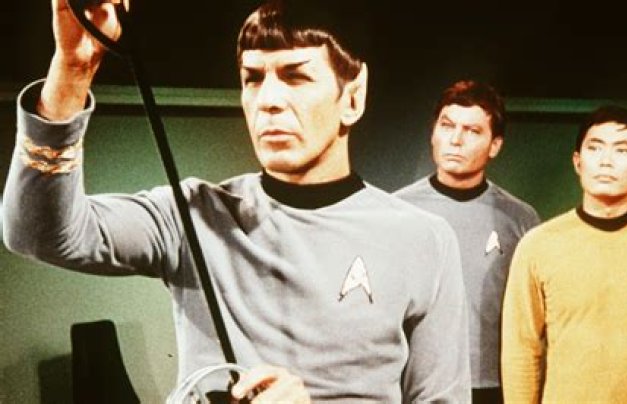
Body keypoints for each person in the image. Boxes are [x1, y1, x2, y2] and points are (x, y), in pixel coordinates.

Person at [2, 0, 471, 401]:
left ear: (353, 96)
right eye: (253, 78)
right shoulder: (193, 214)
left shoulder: (423, 238)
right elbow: (36, 233)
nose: (268, 100)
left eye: (296, 77)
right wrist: (74, 70)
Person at [501, 105, 627, 403]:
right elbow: (521, 350)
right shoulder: (537, 246)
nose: (606, 161)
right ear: (578, 162)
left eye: (622, 150)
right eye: (595, 148)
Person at [395, 80, 540, 403]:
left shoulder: (520, 219)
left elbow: (531, 317)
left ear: (494, 145)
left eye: (472, 131)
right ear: (433, 133)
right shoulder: (396, 211)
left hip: (494, 386)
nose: (456, 140)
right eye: (447, 126)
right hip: (417, 386)